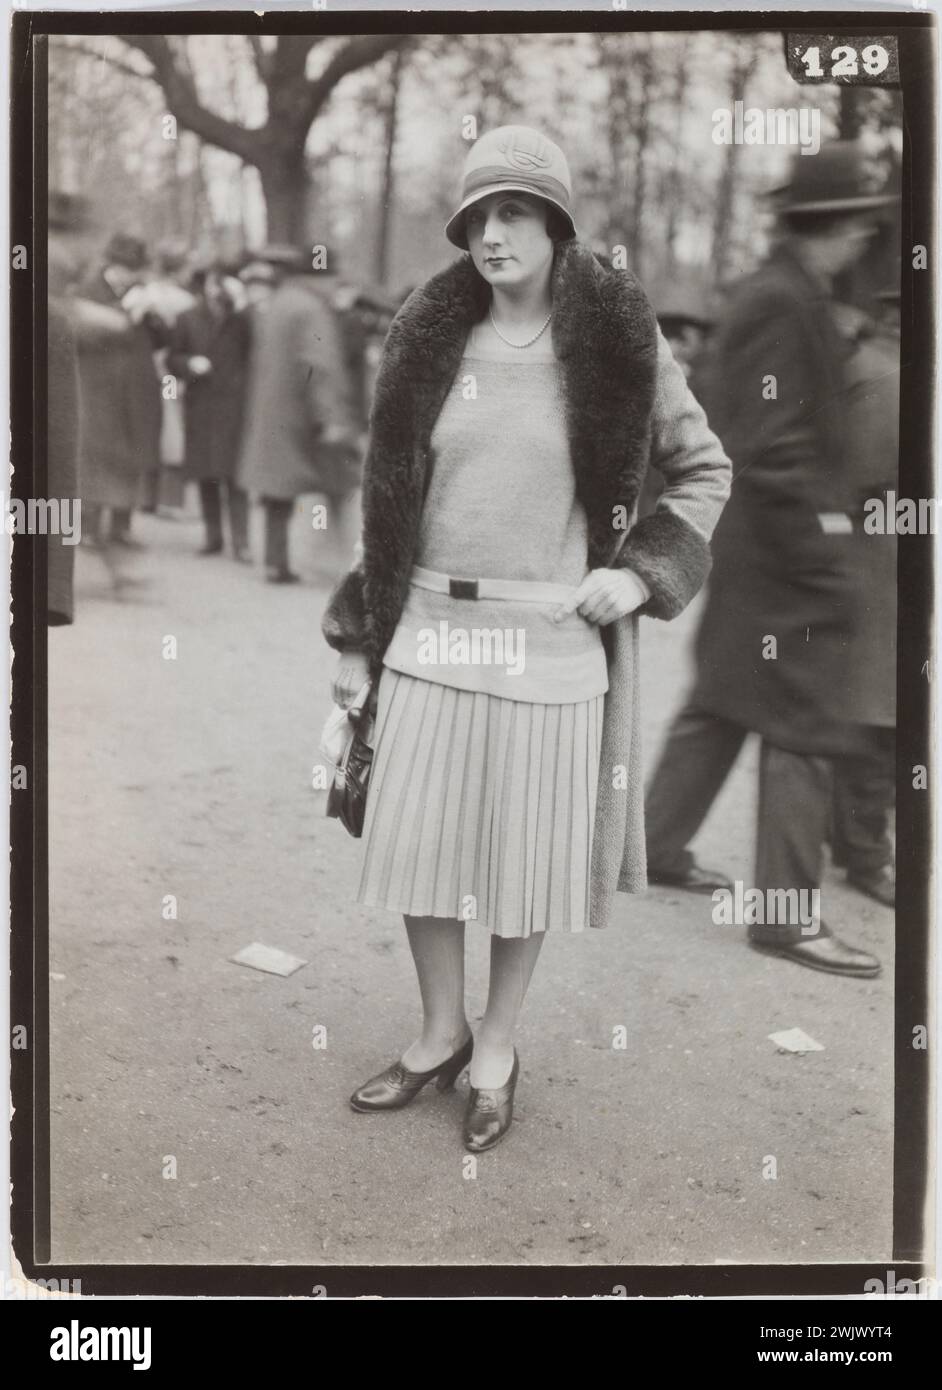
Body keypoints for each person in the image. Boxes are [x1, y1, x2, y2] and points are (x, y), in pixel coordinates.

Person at [321, 125, 731, 1152]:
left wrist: (637, 576)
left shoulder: (621, 339)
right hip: (428, 630)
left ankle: (498, 1046)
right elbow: (388, 497)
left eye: (513, 212)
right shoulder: (426, 332)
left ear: (554, 222)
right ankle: (436, 1034)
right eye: (476, 218)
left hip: (550, 642)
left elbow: (704, 472)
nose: (492, 235)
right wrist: (356, 636)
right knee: (416, 850)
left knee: (522, 861)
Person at [644, 142, 897, 978]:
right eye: (861, 224)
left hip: (757, 548)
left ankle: (651, 848)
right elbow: (768, 445)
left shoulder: (783, 294)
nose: (867, 241)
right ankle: (784, 918)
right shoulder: (783, 303)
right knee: (804, 724)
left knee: (720, 703)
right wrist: (827, 550)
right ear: (831, 225)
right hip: (783, 552)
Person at [237, 245, 361, 584]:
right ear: (323, 277)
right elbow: (320, 366)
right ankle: (350, 564)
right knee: (341, 485)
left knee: (277, 491)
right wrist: (333, 417)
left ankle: (276, 563)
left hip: (275, 413)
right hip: (305, 419)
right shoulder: (312, 310)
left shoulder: (281, 301)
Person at [74, 233, 164, 557]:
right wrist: (122, 311)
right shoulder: (88, 291)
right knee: (97, 454)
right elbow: (81, 335)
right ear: (111, 265)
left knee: (132, 454)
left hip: (135, 388)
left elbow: (162, 340)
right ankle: (88, 527)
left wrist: (152, 316)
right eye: (125, 268)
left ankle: (121, 527)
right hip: (100, 387)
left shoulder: (140, 294)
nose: (129, 275)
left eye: (133, 269)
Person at [168, 265, 252, 560]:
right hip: (202, 405)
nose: (217, 291)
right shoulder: (187, 318)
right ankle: (213, 537)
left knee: (236, 477)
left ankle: (241, 543)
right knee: (207, 476)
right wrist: (189, 363)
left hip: (234, 407)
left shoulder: (242, 319)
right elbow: (171, 359)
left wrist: (242, 307)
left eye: (223, 284)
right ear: (205, 286)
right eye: (213, 284)